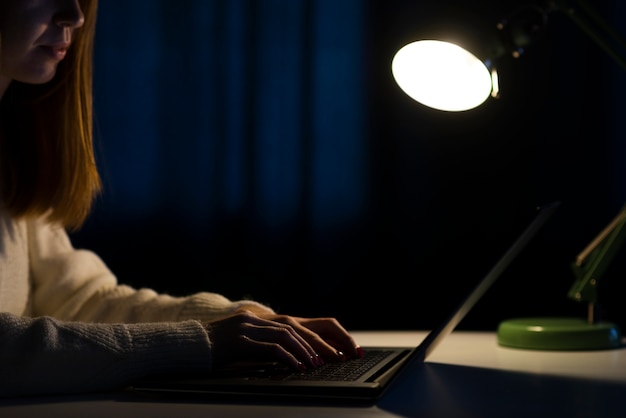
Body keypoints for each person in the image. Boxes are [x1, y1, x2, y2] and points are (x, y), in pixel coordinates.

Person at [0, 0, 362, 398]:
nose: (75, 15)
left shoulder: (11, 155)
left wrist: (241, 320)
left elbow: (78, 300)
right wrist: (199, 343)